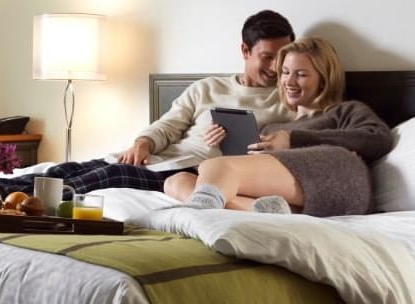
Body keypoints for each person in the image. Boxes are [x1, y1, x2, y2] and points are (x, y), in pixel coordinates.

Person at [0, 9, 296, 201]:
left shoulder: (289, 102)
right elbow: (169, 124)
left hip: (192, 173)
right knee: (69, 167)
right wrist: (143, 143)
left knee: (106, 178)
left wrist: (236, 146)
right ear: (245, 51)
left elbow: (287, 154)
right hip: (157, 157)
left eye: (283, 57)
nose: (276, 67)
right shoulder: (208, 87)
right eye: (267, 57)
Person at [164, 36, 392, 216]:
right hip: (294, 199)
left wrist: (294, 140)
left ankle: (197, 214)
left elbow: (378, 139)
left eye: (301, 74)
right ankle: (265, 214)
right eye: (285, 73)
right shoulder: (272, 129)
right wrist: (225, 142)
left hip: (341, 181)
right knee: (177, 181)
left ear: (324, 78)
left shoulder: (344, 111)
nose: (289, 82)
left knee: (217, 167)